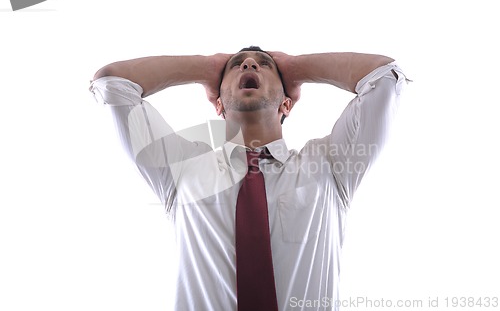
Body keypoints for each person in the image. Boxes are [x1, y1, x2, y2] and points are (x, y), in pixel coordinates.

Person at [89, 46, 408, 311]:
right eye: (236, 66)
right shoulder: (183, 168)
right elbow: (114, 82)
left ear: (287, 103)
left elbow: (384, 78)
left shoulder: (329, 165)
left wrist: (296, 68)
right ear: (218, 103)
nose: (249, 63)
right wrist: (206, 67)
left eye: (265, 65)